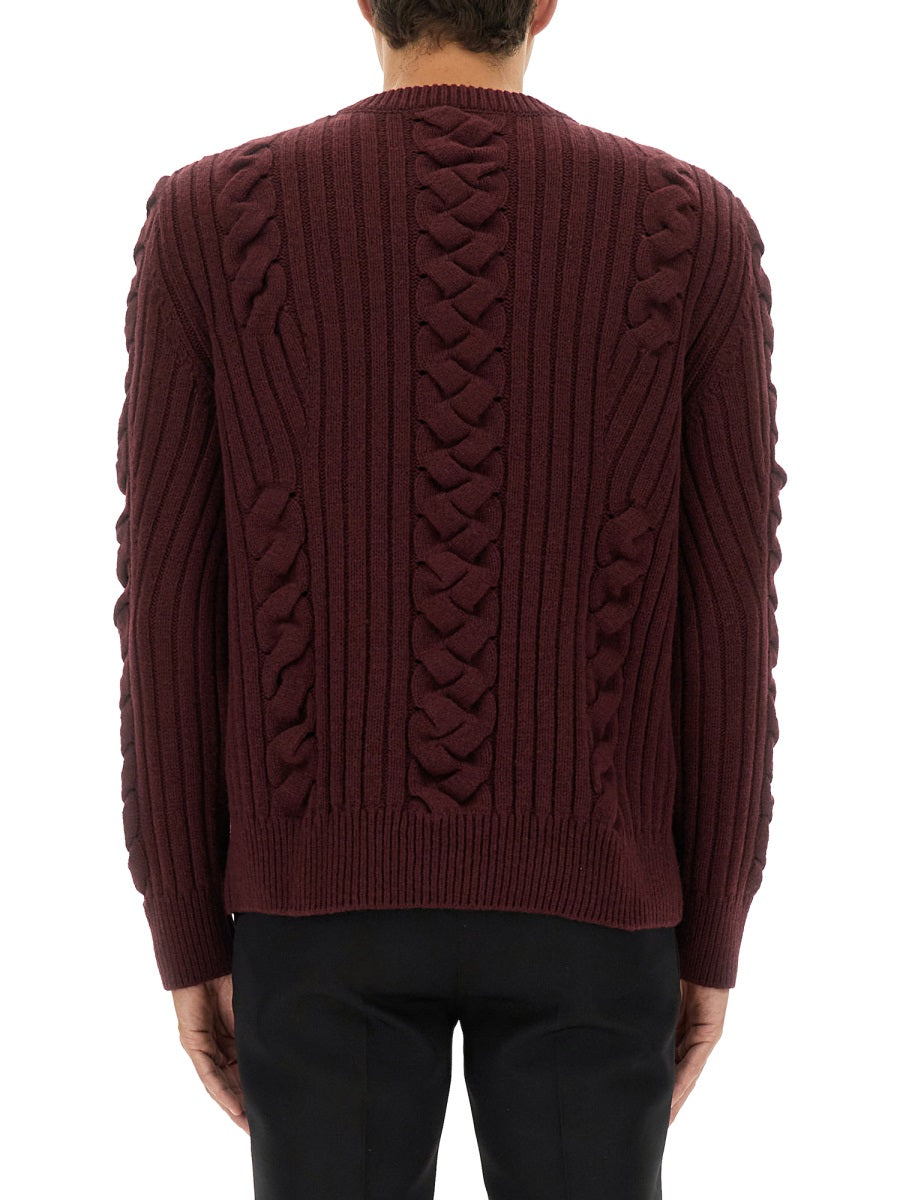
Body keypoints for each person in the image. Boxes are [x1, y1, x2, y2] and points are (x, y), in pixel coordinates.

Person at [112, 1, 787, 1196]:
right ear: (544, 5)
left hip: (314, 908)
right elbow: (729, 615)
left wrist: (184, 920)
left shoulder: (209, 220)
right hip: (597, 907)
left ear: (367, 0)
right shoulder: (692, 230)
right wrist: (715, 923)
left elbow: (168, 608)